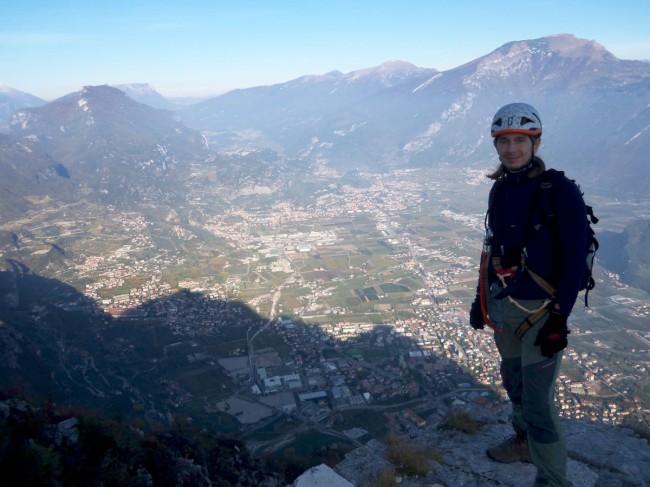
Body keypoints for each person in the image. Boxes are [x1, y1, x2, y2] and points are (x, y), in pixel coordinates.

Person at [469, 103, 588, 487]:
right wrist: (479, 300)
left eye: (520, 140)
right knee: (514, 383)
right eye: (503, 141)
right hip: (505, 306)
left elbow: (574, 260)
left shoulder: (560, 191)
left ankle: (554, 480)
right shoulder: (501, 189)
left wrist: (560, 318)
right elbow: (492, 249)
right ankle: (523, 443)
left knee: (538, 401)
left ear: (535, 142)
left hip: (541, 313)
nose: (510, 149)